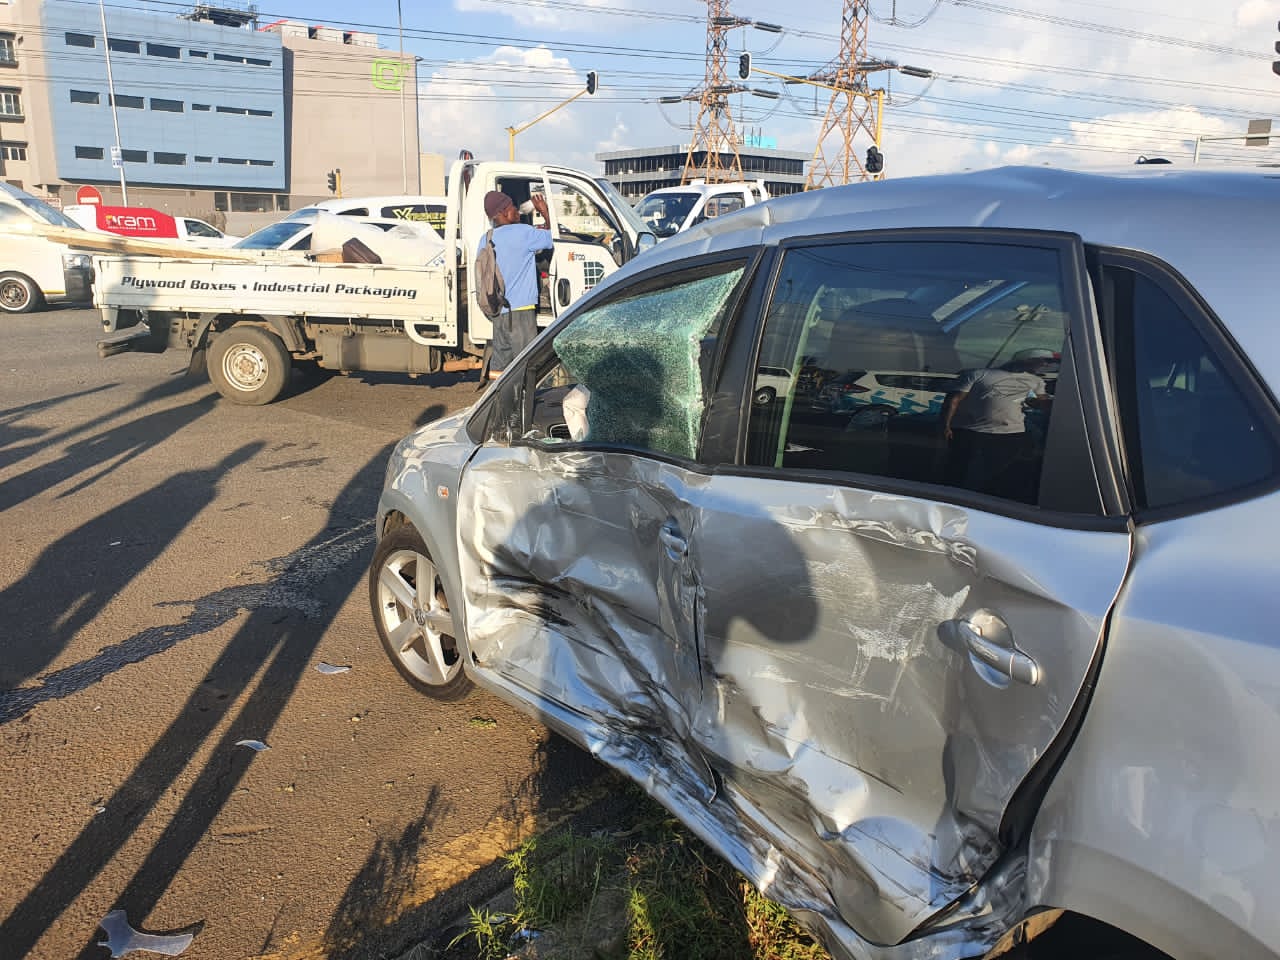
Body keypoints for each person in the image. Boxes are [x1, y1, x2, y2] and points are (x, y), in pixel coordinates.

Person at [941, 347, 1056, 499]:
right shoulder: (978, 374)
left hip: (1011, 434)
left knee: (999, 473)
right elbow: (953, 400)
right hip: (969, 431)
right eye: (1044, 361)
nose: (1046, 365)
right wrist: (944, 426)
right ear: (1027, 359)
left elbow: (1038, 402)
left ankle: (989, 502)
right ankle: (951, 499)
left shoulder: (1036, 381)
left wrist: (1053, 403)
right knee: (958, 469)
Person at [478, 189, 553, 380]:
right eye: (513, 207)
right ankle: (521, 407)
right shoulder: (523, 232)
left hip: (498, 311)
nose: (517, 211)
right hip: (521, 311)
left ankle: (499, 405)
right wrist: (544, 211)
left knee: (500, 367)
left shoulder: (486, 238)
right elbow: (552, 238)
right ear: (503, 212)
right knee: (525, 364)